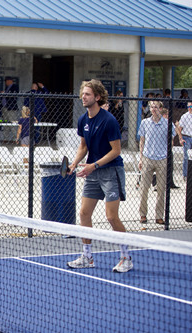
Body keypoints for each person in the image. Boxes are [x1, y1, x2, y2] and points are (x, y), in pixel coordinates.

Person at [66, 79, 131, 273]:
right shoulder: (82, 120)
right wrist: (74, 163)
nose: (83, 97)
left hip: (111, 172)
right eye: (83, 94)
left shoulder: (109, 120)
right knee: (84, 213)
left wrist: (93, 165)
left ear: (97, 97)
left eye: (87, 94)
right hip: (92, 171)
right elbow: (83, 146)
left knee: (111, 217)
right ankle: (87, 256)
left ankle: (126, 257)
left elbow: (116, 151)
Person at [138, 101, 175, 226]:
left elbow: (171, 141)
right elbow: (142, 141)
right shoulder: (145, 123)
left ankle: (159, 216)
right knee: (144, 188)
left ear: (160, 108)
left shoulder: (167, 124)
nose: (153, 109)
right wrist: (141, 158)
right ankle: (143, 214)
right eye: (151, 107)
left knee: (161, 189)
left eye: (156, 107)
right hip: (148, 157)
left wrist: (168, 155)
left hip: (162, 158)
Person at [176, 101, 192, 181]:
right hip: (187, 137)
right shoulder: (185, 116)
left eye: (191, 107)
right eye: (188, 107)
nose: (190, 109)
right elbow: (179, 128)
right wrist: (181, 138)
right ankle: (185, 175)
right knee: (186, 157)